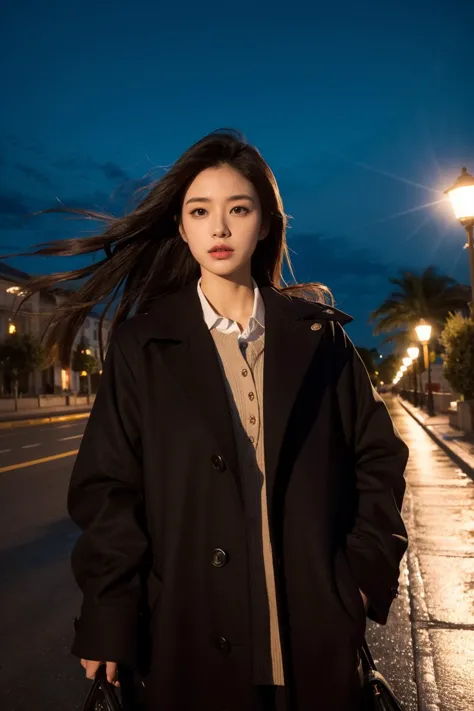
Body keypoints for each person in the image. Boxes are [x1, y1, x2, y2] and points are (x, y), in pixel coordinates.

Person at [12, 129, 409, 710]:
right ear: (181, 226)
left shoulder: (320, 339)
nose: (219, 229)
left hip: (312, 632)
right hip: (185, 634)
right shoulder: (142, 345)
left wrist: (359, 573)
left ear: (266, 222)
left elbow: (378, 457)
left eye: (238, 209)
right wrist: (108, 612)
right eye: (200, 211)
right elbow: (109, 492)